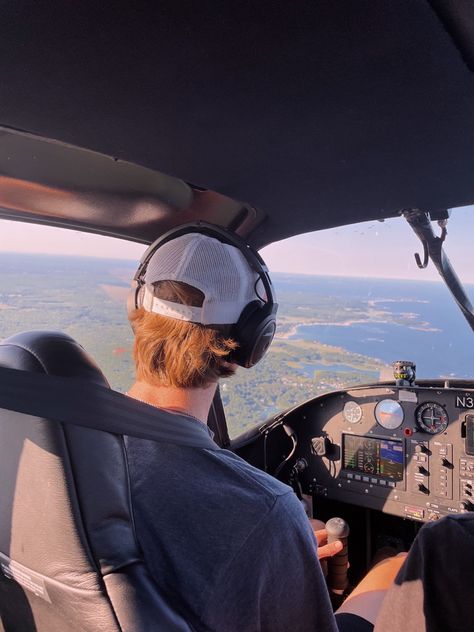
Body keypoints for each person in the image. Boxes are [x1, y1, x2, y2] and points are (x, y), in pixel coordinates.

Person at [124, 225, 399, 631]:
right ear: (250, 343)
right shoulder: (264, 508)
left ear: (137, 308)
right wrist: (274, 531)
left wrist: (275, 547)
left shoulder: (65, 452)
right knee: (404, 567)